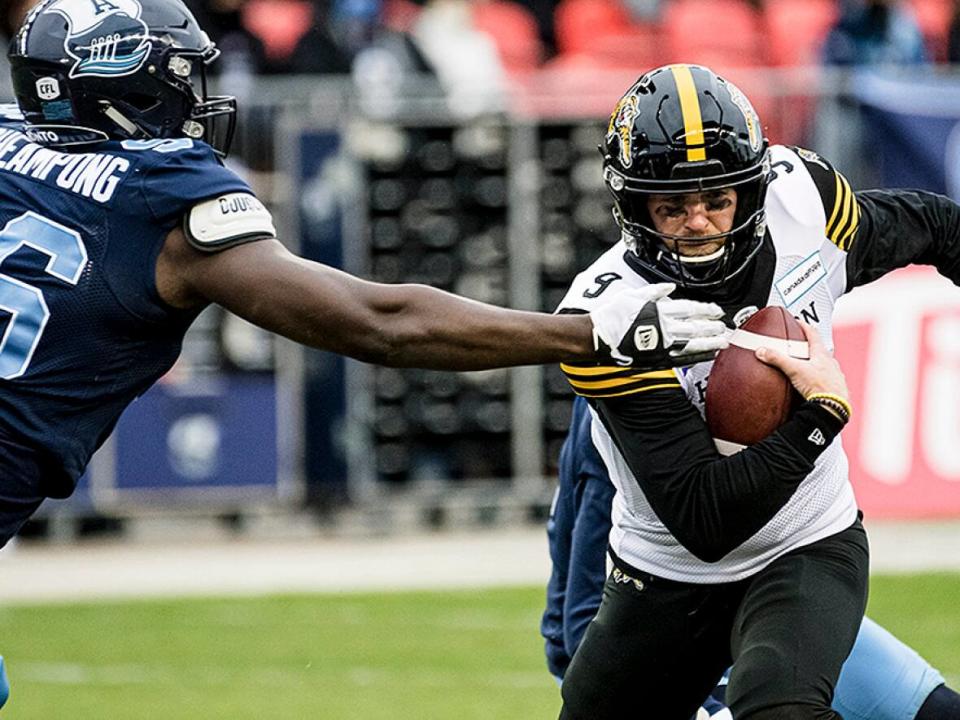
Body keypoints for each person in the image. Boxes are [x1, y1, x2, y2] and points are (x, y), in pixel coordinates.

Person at [555, 63, 960, 720]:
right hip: (669, 572)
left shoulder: (805, 205)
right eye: (672, 206)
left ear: (753, 191)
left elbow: (933, 224)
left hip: (804, 543)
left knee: (779, 707)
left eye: (717, 199)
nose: (699, 223)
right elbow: (705, 521)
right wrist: (819, 415)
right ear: (635, 209)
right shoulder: (608, 314)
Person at [543, 395, 960, 720]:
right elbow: (582, 615)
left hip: (775, 598)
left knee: (934, 709)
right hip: (675, 618)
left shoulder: (767, 336)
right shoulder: (624, 398)